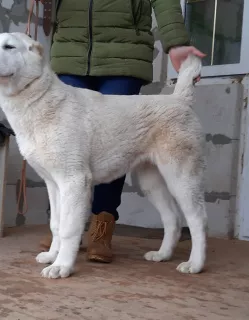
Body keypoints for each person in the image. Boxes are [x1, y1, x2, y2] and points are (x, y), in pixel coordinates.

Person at [40, 0, 205, 263]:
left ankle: (102, 225)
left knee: (116, 144)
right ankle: (61, 231)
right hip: (70, 50)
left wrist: (175, 41)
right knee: (62, 155)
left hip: (124, 52)